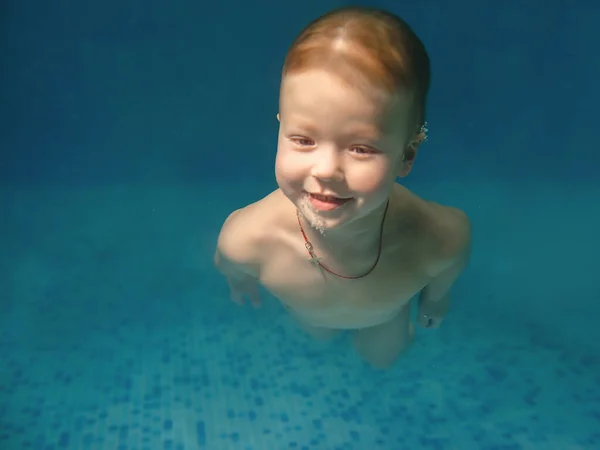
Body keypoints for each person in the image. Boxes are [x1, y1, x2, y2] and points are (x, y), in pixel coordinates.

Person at [214, 6, 471, 369]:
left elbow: (447, 269)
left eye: (360, 148)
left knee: (383, 358)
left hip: (385, 315)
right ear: (279, 131)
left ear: (407, 155)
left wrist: (434, 302)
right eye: (303, 140)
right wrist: (239, 286)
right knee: (314, 335)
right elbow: (229, 266)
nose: (327, 170)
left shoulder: (437, 238)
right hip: (308, 313)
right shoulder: (246, 240)